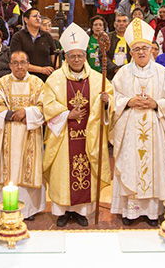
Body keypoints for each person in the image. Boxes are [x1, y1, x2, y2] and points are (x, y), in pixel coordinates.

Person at [106, 20, 165, 226]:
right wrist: (128, 101)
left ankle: (151, 213)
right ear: (130, 52)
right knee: (130, 166)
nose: (140, 52)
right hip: (130, 127)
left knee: (153, 167)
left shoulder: (161, 72)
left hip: (154, 127)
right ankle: (130, 212)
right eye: (136, 49)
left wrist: (156, 103)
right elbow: (114, 98)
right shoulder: (122, 73)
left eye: (144, 48)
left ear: (151, 50)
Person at [43, 25, 113, 226]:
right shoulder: (55, 79)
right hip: (64, 136)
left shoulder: (98, 79)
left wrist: (108, 102)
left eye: (80, 56)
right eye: (72, 56)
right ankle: (64, 212)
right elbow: (46, 104)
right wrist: (67, 114)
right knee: (63, 173)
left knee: (86, 173)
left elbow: (111, 101)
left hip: (88, 137)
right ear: (66, 57)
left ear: (85, 56)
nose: (76, 60)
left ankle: (82, 211)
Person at [0, 50, 54, 220]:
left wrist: (26, 113)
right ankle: (9, 207)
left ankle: (29, 210)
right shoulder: (1, 83)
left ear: (28, 64)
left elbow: (45, 106)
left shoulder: (37, 83)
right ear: (10, 66)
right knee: (9, 171)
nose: (19, 66)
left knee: (28, 169)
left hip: (30, 134)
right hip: (7, 133)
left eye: (23, 62)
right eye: (15, 63)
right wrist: (12, 115)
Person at [10, 8, 57, 80]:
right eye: (35, 16)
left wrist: (56, 69)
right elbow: (17, 62)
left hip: (47, 78)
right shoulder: (18, 37)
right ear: (26, 20)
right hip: (25, 78)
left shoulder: (47, 36)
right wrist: (41, 70)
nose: (38, 19)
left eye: (39, 17)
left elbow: (54, 57)